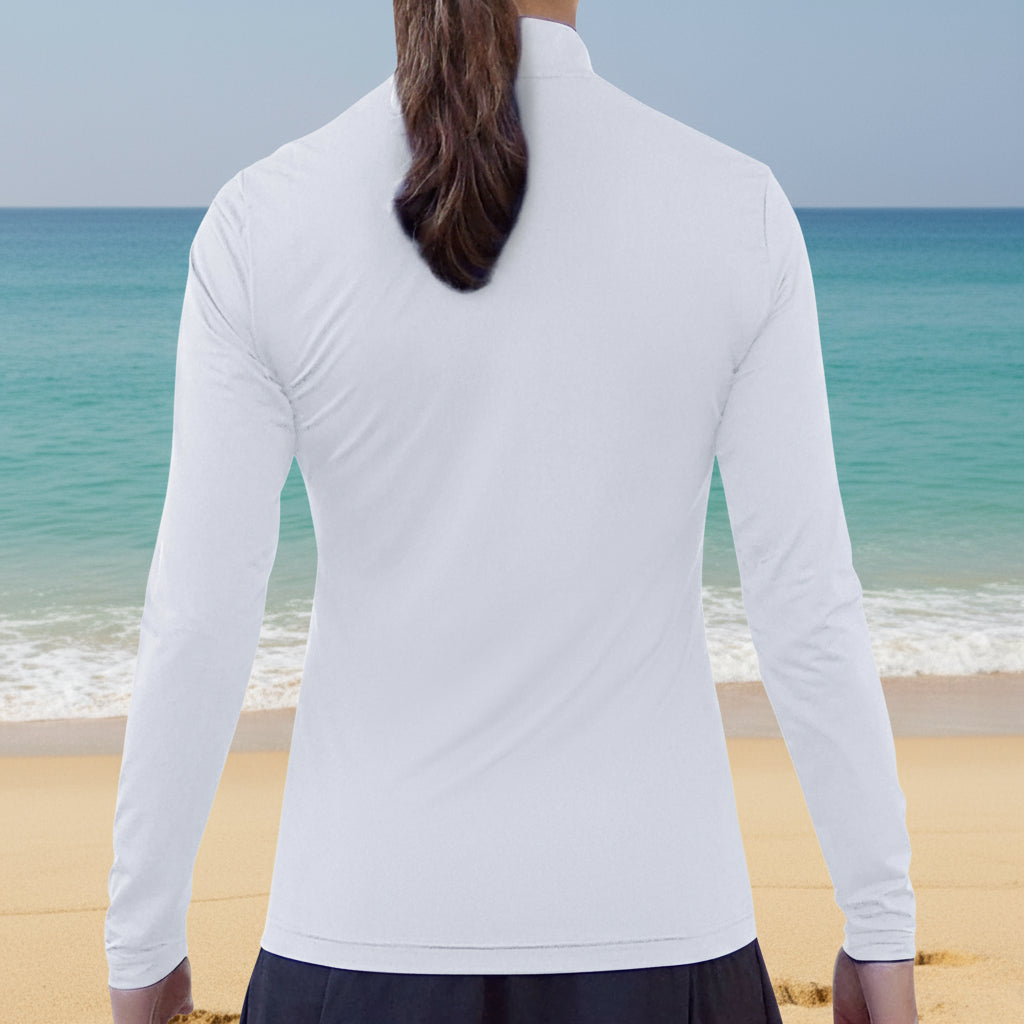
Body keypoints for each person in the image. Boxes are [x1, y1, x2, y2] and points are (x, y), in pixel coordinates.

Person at [106, 0, 919, 1021]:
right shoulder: (733, 211)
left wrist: (142, 945)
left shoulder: (262, 223)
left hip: (355, 933)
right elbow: (804, 604)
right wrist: (878, 925)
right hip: (662, 930)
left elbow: (199, 619)